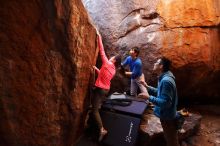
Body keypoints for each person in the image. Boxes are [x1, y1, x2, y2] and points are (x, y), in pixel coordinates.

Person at [138, 57, 180, 146]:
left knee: (172, 141)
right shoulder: (164, 77)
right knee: (170, 138)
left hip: (168, 117)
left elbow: (166, 103)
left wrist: (149, 97)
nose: (154, 64)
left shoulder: (166, 81)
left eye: (156, 63)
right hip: (167, 115)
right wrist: (147, 87)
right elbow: (160, 92)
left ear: (161, 66)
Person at [92, 30, 121, 141]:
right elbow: (104, 76)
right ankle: (97, 106)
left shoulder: (108, 63)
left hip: (100, 90)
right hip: (105, 89)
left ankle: (102, 129)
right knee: (96, 103)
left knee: (95, 110)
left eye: (112, 57)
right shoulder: (113, 70)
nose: (111, 57)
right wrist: (97, 70)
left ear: (114, 60)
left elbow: (102, 50)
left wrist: (99, 36)